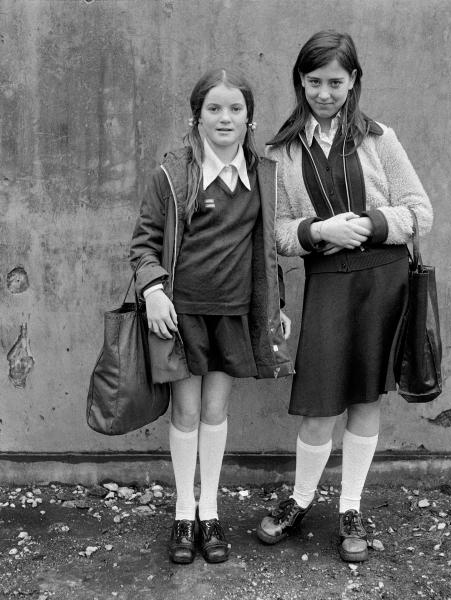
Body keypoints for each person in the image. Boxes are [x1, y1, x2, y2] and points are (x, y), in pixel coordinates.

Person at [256, 30, 433, 563]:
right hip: (330, 284)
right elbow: (278, 231)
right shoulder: (282, 150)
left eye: (335, 81)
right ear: (300, 82)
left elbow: (420, 212)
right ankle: (300, 499)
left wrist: (374, 224)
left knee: (363, 399)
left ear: (353, 80)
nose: (325, 92)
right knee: (319, 405)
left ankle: (351, 506)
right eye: (314, 82)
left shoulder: (380, 138)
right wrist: (319, 233)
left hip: (384, 279)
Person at [130, 68, 293, 565]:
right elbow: (143, 244)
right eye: (214, 109)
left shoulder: (264, 174)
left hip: (233, 315)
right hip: (180, 318)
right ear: (195, 116)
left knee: (216, 414)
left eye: (236, 109)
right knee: (186, 413)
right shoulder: (172, 173)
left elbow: (264, 249)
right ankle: (183, 511)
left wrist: (277, 305)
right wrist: (154, 291)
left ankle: (210, 511)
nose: (225, 117)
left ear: (250, 117)